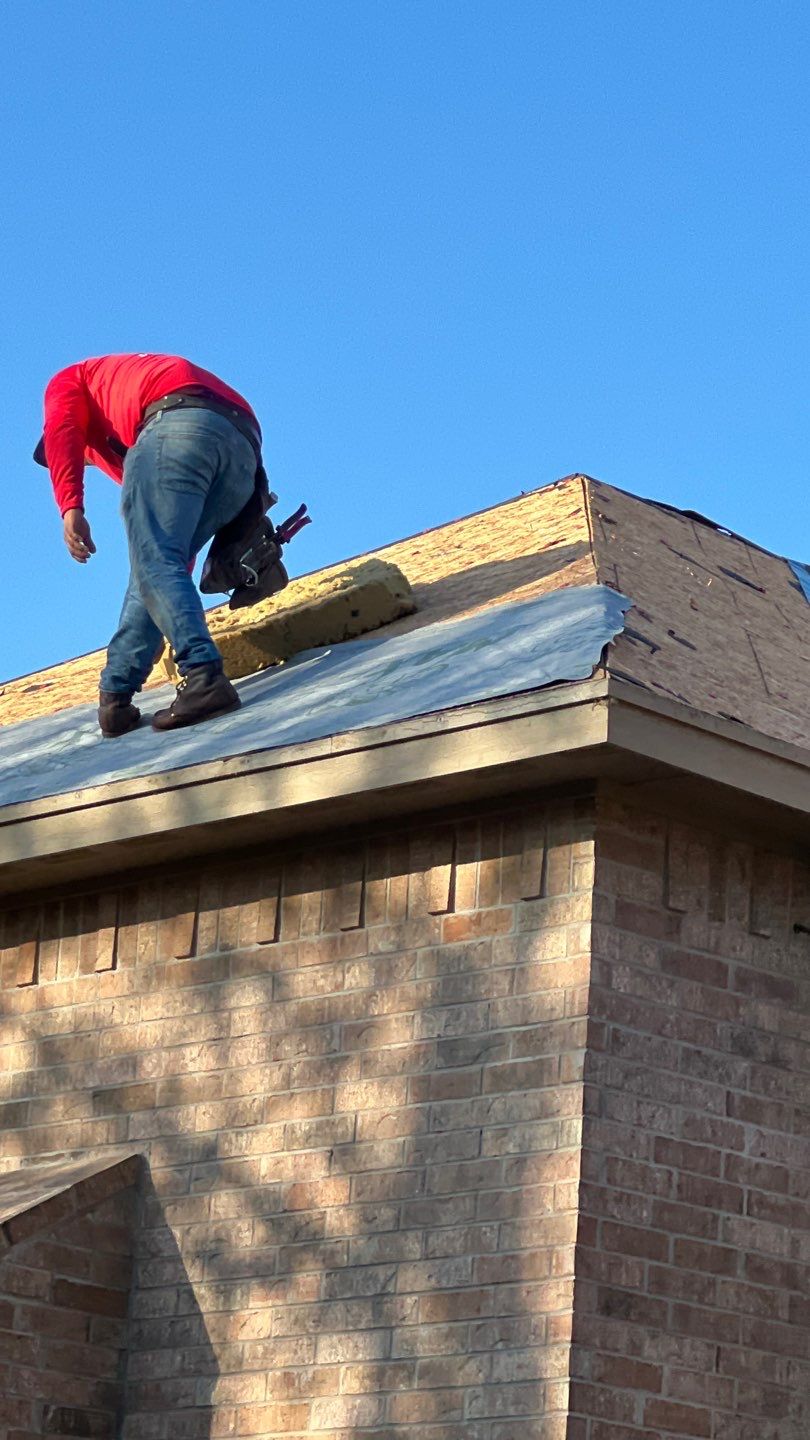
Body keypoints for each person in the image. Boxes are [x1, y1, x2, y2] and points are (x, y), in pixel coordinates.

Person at [35, 353, 265, 737]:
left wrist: (70, 506)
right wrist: (116, 693)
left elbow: (62, 433)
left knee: (155, 559)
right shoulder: (121, 405)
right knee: (158, 562)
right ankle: (116, 698)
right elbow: (158, 572)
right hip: (243, 452)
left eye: (86, 459)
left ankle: (204, 676)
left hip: (177, 419)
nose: (92, 462)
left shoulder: (68, 381)